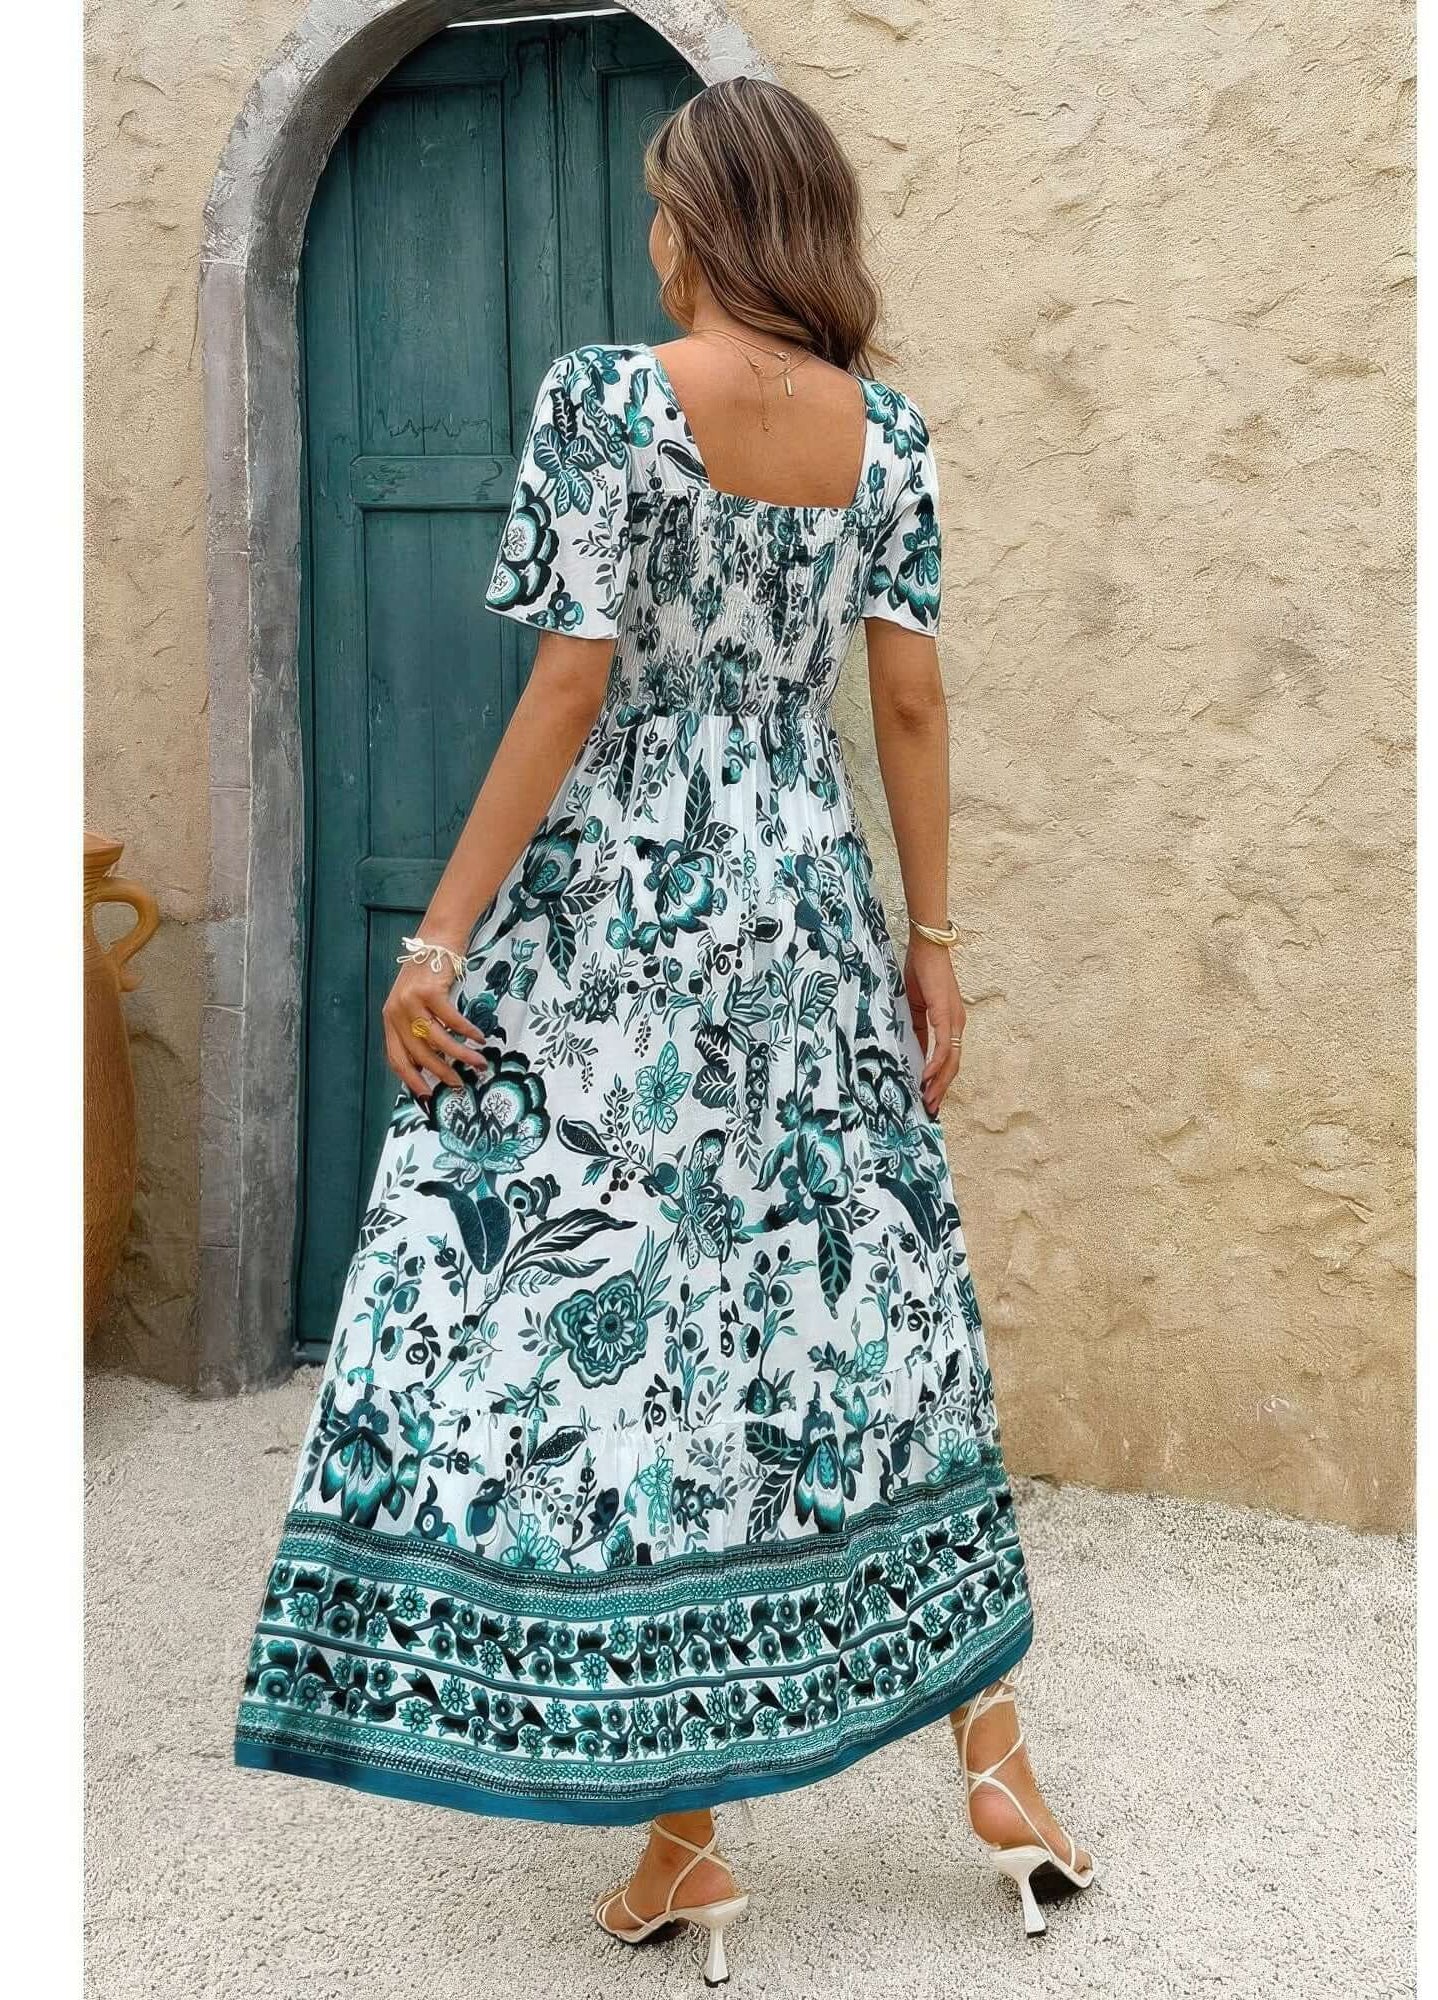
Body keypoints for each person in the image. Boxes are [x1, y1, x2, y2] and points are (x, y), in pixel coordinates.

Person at [235, 74, 1091, 1981]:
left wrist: (437, 937)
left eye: (658, 204)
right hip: (805, 901)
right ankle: (986, 1763)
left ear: (699, 218)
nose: (649, 233)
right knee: (845, 1288)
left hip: (626, 898)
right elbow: (916, 712)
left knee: (582, 1291)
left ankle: (690, 1824)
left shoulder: (608, 398)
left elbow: (569, 682)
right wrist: (928, 940)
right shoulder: (891, 433)